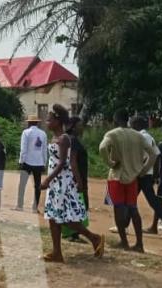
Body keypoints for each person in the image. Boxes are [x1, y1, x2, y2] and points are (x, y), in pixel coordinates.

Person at [41, 104, 104, 262]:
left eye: (49, 120)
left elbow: (63, 163)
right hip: (56, 183)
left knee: (66, 218)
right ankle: (57, 252)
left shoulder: (64, 139)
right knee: (53, 217)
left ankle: (94, 238)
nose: (46, 122)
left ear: (58, 121)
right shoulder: (55, 138)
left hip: (62, 182)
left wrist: (48, 179)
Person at [99, 109, 159, 252]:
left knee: (118, 209)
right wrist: (143, 170)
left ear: (115, 120)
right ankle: (139, 244)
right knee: (133, 209)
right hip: (133, 177)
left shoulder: (113, 134)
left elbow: (102, 148)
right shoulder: (138, 136)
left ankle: (124, 241)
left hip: (117, 176)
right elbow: (153, 154)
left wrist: (111, 163)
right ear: (128, 120)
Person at [131, 116, 162, 239]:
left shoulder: (143, 136)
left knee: (153, 202)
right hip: (144, 173)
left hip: (144, 174)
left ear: (136, 125)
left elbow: (155, 155)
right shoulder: (145, 136)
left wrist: (147, 171)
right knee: (132, 199)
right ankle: (124, 224)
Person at [62, 116, 89, 240]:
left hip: (72, 178)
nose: (82, 128)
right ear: (73, 127)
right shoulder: (73, 140)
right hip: (75, 179)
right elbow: (73, 162)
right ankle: (72, 234)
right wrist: (79, 181)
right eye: (80, 125)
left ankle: (72, 233)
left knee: (74, 205)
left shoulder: (69, 139)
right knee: (76, 206)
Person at [15, 115, 48, 213]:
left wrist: (21, 161)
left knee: (22, 184)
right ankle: (35, 207)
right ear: (37, 123)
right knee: (37, 185)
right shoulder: (43, 134)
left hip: (27, 162)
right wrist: (44, 162)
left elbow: (23, 149)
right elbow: (44, 150)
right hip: (39, 162)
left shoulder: (26, 132)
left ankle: (20, 205)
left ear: (29, 123)